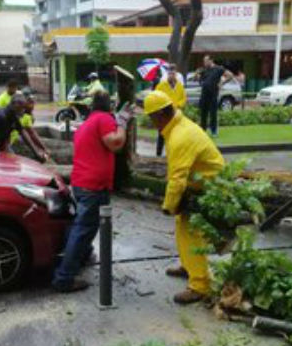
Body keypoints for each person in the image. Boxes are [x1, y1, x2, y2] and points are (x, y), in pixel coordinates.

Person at [143, 90, 224, 304]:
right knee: (183, 226)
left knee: (191, 233)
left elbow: (177, 178)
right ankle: (189, 266)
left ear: (159, 116)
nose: (151, 123)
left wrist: (168, 205)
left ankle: (200, 285)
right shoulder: (178, 126)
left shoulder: (180, 136)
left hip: (208, 186)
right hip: (199, 183)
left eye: (151, 119)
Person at [52, 91, 132, 292]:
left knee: (81, 226)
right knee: (84, 229)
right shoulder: (103, 119)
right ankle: (64, 278)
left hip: (81, 183)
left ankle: (82, 257)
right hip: (93, 186)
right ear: (109, 107)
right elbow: (115, 143)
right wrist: (122, 122)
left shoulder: (86, 123)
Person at [154, 65, 187, 157]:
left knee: (174, 136)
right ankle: (158, 154)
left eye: (173, 73)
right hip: (164, 114)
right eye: (170, 73)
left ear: (176, 74)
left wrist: (179, 105)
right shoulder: (161, 86)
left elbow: (183, 98)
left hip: (175, 114)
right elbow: (156, 97)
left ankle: (172, 154)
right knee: (162, 135)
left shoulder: (179, 86)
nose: (171, 75)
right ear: (167, 74)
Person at [198, 55, 233, 137]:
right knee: (203, 113)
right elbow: (200, 79)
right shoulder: (205, 70)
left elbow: (230, 75)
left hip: (213, 94)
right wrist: (197, 76)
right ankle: (203, 131)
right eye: (204, 61)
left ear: (211, 60)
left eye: (206, 61)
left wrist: (222, 83)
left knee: (213, 113)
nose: (204, 63)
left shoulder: (218, 69)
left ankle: (214, 131)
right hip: (204, 94)